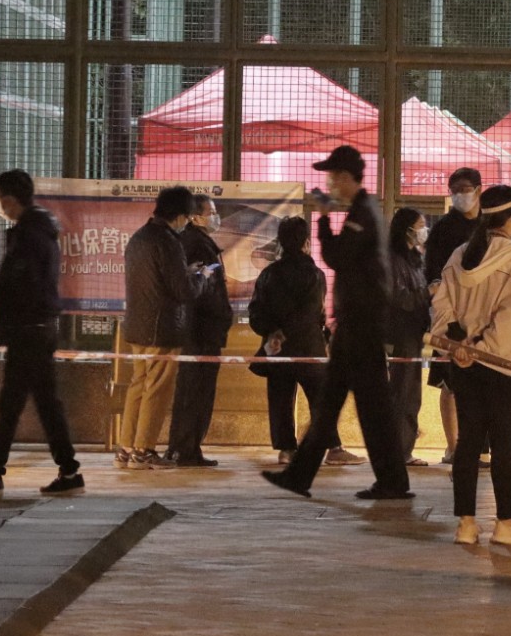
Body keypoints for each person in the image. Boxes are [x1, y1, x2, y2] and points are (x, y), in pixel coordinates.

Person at [262, 145, 412, 500]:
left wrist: (324, 219)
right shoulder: (365, 210)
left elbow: (337, 257)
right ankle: (302, 476)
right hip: (356, 324)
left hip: (362, 325)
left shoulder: (363, 213)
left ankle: (390, 481)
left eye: (332, 177)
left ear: (345, 177)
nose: (329, 184)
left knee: (367, 408)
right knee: (335, 405)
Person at [0, 170, 83, 497]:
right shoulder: (38, 230)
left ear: (9, 200)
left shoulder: (29, 235)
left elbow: (20, 285)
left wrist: (5, 320)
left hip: (27, 331)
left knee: (11, 406)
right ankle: (68, 470)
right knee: (44, 404)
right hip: (37, 329)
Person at [431, 184, 511, 545]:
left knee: (468, 442)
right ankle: (506, 524)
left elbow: (442, 306)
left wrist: (458, 345)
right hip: (504, 365)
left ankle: (466, 524)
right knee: (504, 443)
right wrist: (481, 348)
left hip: (463, 366)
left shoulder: (460, 254)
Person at [250, 217, 353, 466]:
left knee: (281, 400)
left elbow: (256, 313)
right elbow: (316, 312)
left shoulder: (268, 274)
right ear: (307, 242)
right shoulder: (315, 275)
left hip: (277, 347)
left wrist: (273, 332)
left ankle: (286, 449)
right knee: (321, 399)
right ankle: (333, 448)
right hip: (309, 347)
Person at [118, 186, 201, 470]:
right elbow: (183, 291)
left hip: (137, 326)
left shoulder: (139, 237)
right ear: (178, 215)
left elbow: (155, 277)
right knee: (156, 389)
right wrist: (201, 278)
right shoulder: (168, 241)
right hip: (161, 328)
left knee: (138, 385)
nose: (187, 222)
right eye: (187, 217)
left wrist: (185, 273)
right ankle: (144, 450)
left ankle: (126, 448)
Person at [166, 193, 232, 468]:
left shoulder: (197, 243)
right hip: (201, 331)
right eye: (211, 212)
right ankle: (186, 449)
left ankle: (183, 448)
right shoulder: (197, 245)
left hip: (199, 329)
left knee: (192, 390)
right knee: (196, 392)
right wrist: (220, 315)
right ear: (195, 216)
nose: (216, 217)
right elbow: (201, 289)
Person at [424, 166, 482, 465]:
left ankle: (476, 446)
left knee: (479, 383)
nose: (460, 195)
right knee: (450, 382)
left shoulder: (487, 225)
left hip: (482, 314)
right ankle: (454, 447)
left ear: (478, 190)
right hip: (451, 313)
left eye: (465, 189)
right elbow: (432, 271)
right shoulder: (443, 228)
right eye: (454, 190)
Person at [388, 206, 431, 467]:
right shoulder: (393, 261)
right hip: (401, 334)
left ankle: (404, 448)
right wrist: (429, 293)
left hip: (414, 334)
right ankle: (398, 451)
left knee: (411, 394)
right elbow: (400, 299)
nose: (424, 230)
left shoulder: (414, 260)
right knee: (403, 393)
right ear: (406, 230)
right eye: (420, 225)